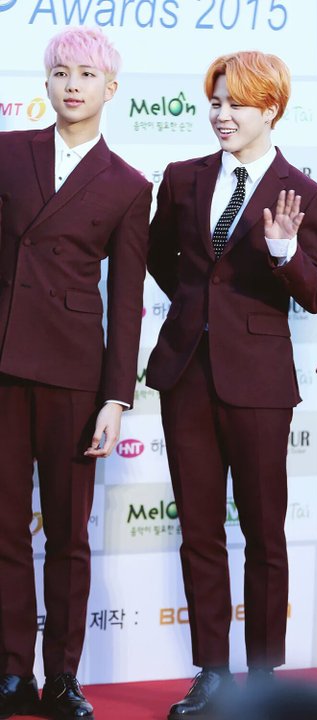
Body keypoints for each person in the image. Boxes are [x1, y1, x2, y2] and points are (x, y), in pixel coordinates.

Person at [147, 50, 317, 719]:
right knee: (199, 531)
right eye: (216, 102)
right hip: (186, 374)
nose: (222, 115)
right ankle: (213, 674)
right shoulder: (182, 177)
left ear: (271, 108)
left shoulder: (303, 192)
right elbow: (161, 258)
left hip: (259, 381)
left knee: (264, 534)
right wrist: (198, 311)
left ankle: (263, 680)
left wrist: (284, 252)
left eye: (237, 104)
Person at [0, 26, 151, 720]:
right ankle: (11, 672)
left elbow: (127, 299)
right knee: (4, 527)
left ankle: (62, 676)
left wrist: (116, 397)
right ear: (46, 82)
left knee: (68, 534)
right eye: (62, 72)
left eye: (87, 74)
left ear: (110, 89)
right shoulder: (9, 153)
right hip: (4, 363)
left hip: (73, 374)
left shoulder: (128, 185)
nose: (72, 84)